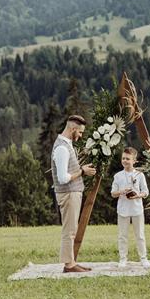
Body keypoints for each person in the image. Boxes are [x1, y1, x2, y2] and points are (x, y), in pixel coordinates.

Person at [51, 114, 97, 273]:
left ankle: (71, 262)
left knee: (71, 229)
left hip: (72, 193)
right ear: (72, 128)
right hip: (68, 193)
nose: (81, 135)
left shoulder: (67, 144)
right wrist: (82, 171)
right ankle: (69, 265)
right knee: (69, 230)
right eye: (80, 132)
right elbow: (63, 178)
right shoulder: (62, 148)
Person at [111, 147, 150, 269]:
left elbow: (146, 192)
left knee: (140, 235)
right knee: (122, 236)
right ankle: (123, 259)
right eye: (123, 158)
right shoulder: (117, 176)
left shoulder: (140, 175)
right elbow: (113, 193)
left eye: (128, 159)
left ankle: (143, 258)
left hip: (137, 209)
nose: (125, 161)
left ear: (134, 160)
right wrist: (122, 192)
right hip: (123, 210)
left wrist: (138, 195)